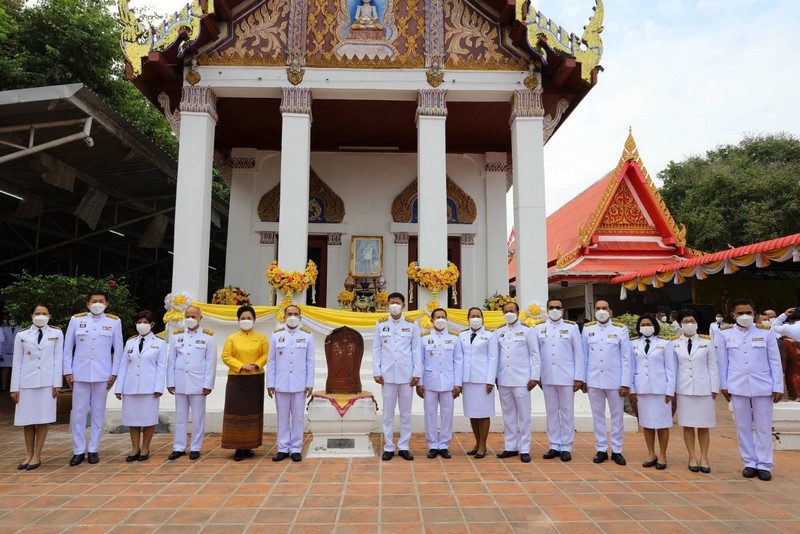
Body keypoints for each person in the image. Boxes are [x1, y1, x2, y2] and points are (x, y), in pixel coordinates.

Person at [716, 298, 783, 481]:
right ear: (733, 315)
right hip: (737, 386)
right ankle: (749, 463)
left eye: (748, 312)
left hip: (763, 386)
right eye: (740, 313)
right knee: (743, 427)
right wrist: (724, 385)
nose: (744, 316)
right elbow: (722, 362)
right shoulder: (725, 334)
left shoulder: (766, 333)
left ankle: (764, 464)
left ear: (754, 313)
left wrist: (778, 386)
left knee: (763, 427)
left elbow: (775, 361)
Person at [63, 291, 124, 466]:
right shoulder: (76, 320)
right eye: (94, 301)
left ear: (107, 303)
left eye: (101, 301)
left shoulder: (114, 321)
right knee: (79, 414)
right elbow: (68, 349)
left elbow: (118, 351)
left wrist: (114, 373)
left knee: (98, 413)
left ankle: (93, 449)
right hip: (79, 374)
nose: (97, 303)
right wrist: (68, 371)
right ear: (87, 303)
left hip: (102, 374)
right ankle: (78, 450)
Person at [9, 304, 63, 470]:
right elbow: (17, 362)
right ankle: (28, 454)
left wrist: (57, 383)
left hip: (47, 383)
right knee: (28, 421)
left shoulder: (57, 333)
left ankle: (37, 455)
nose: (40, 315)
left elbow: (58, 359)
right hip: (26, 383)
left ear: (50, 315)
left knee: (42, 420)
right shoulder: (22, 335)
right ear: (32, 315)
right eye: (37, 313)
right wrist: (14, 388)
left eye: (44, 313)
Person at [582, 300, 631, 466]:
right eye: (597, 308)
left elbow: (626, 357)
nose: (601, 311)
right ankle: (601, 448)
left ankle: (617, 449)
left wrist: (625, 382)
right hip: (594, 379)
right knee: (598, 415)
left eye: (604, 308)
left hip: (615, 380)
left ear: (610, 311)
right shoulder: (588, 329)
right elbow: (584, 357)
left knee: (617, 416)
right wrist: (584, 380)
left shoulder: (620, 329)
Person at [535, 298, 584, 462]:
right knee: (551, 412)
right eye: (551, 307)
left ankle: (566, 446)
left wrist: (578, 377)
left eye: (557, 307)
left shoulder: (571, 328)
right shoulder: (539, 328)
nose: (554, 309)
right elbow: (536, 355)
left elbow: (579, 353)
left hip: (567, 376)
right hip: (547, 376)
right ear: (547, 309)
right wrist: (538, 376)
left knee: (567, 412)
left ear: (562, 310)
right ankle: (554, 444)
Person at [373, 292, 421, 461]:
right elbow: (376, 349)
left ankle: (404, 446)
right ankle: (388, 446)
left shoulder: (412, 325)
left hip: (406, 375)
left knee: (406, 413)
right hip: (387, 375)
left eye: (398, 303)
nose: (394, 305)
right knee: (388, 413)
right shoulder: (380, 325)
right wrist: (376, 371)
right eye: (392, 302)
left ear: (403, 306)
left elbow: (416, 350)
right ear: (387, 304)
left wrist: (417, 373)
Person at [114, 310, 167, 462]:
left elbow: (161, 367)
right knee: (132, 419)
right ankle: (135, 447)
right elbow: (123, 366)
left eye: (145, 322)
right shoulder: (130, 342)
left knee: (148, 419)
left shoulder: (159, 343)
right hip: (130, 386)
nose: (141, 325)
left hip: (149, 387)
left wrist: (158, 387)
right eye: (139, 322)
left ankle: (145, 447)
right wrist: (119, 388)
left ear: (152, 324)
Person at [167, 305, 216, 461]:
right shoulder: (177, 336)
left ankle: (195, 447)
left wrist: (208, 384)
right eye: (187, 316)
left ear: (200, 318)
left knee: (198, 417)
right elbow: (171, 361)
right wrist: (170, 381)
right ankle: (179, 447)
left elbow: (210, 362)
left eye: (193, 316)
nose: (190, 319)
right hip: (180, 382)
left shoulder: (208, 337)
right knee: (180, 416)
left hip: (198, 383)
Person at [267, 305, 315, 463]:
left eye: (295, 314)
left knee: (298, 417)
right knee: (282, 417)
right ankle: (282, 448)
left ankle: (296, 448)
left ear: (300, 317)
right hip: (281, 383)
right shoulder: (276, 336)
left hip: (299, 384)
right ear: (284, 316)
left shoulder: (307, 336)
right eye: (289, 314)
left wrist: (309, 383)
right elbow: (272, 361)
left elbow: (310, 362)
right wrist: (270, 383)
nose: (292, 317)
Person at [220, 305, 268, 461]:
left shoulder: (261, 338)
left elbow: (267, 354)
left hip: (255, 378)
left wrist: (256, 364)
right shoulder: (232, 338)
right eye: (243, 319)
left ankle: (249, 446)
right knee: (237, 412)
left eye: (249, 318)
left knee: (252, 413)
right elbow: (226, 356)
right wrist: (241, 366)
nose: (246, 321)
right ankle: (238, 448)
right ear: (238, 320)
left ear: (254, 320)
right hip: (237, 378)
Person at [494, 301, 540, 463]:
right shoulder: (499, 331)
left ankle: (525, 448)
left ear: (518, 312)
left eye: (511, 311)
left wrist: (535, 376)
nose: (509, 314)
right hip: (504, 379)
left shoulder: (528, 331)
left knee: (524, 416)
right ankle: (510, 446)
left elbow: (535, 355)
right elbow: (496, 356)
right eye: (506, 311)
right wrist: (495, 378)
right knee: (508, 415)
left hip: (522, 379)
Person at [673, 309, 718, 473]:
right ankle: (692, 456)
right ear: (680, 324)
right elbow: (673, 368)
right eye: (685, 321)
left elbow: (713, 366)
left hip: (704, 388)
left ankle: (704, 457)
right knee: (688, 425)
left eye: (692, 321)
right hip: (684, 389)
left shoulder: (707, 342)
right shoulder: (675, 343)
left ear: (697, 323)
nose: (689, 324)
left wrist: (714, 387)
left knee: (704, 425)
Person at [629, 313, 675, 470]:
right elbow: (631, 367)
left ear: (654, 326)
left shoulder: (665, 344)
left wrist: (670, 389)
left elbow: (670, 368)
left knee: (662, 424)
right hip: (642, 388)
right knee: (647, 423)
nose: (646, 327)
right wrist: (632, 388)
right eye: (643, 324)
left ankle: (662, 454)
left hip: (660, 388)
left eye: (648, 324)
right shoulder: (633, 344)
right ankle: (651, 453)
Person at [416, 308, 463, 459]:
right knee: (430, 414)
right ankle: (432, 445)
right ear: (432, 320)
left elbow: (458, 362)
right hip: (429, 382)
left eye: (443, 317)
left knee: (447, 414)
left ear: (447, 319)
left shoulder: (454, 339)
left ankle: (444, 444)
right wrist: (420, 383)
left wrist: (458, 384)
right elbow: (420, 362)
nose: (440, 319)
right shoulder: (423, 339)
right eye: (437, 317)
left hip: (448, 382)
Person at [458, 307, 496, 459]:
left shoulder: (490, 336)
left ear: (482, 318)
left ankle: (483, 445)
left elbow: (493, 358)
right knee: (472, 413)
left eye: (478, 316)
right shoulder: (462, 335)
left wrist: (490, 380)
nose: (475, 318)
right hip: (467, 379)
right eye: (472, 316)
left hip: (483, 379)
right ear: (468, 318)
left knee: (483, 413)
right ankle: (477, 442)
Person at [1, 315, 20, 392]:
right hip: (5, 352)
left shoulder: (21, 328)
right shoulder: (3, 329)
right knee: (5, 369)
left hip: (17, 352)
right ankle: (3, 386)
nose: (12, 320)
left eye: (14, 319)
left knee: (16, 370)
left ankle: (15, 387)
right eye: (11, 319)